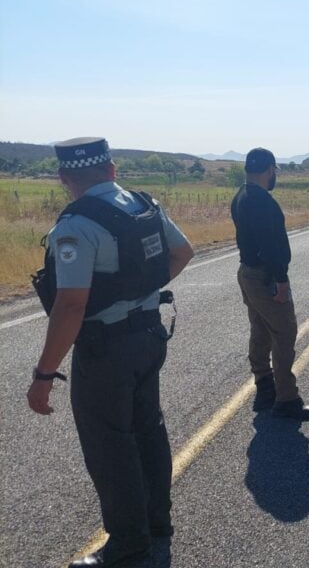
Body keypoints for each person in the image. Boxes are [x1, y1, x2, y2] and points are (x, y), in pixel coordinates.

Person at [27, 137, 195, 567]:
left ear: (65, 179)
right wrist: (140, 290)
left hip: (105, 349)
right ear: (113, 169)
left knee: (109, 446)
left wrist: (44, 375)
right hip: (148, 334)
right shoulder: (143, 205)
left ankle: (128, 544)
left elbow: (71, 304)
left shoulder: (76, 225)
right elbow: (182, 251)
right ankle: (157, 523)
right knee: (148, 431)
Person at [231, 147, 309, 421]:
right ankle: (287, 398)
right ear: (269, 170)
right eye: (274, 171)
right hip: (265, 276)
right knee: (283, 332)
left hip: (248, 272)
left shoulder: (241, 196)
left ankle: (264, 385)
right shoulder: (261, 201)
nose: (274, 176)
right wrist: (281, 280)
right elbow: (270, 245)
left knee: (260, 330)